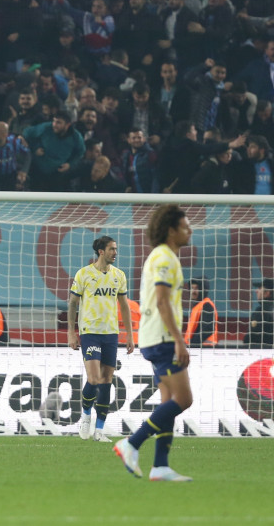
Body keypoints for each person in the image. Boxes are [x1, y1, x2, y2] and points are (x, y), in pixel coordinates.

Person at [114, 204, 193, 482]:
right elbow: (161, 301)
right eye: (185, 226)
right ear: (171, 230)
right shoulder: (164, 258)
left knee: (167, 400)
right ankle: (132, 443)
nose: (190, 230)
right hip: (162, 338)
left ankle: (160, 466)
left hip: (154, 336)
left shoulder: (162, 256)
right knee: (184, 399)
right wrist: (179, 341)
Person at [68, 236, 135, 443]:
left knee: (107, 380)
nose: (115, 252)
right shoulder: (84, 274)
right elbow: (72, 303)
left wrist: (130, 334)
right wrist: (71, 332)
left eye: (116, 249)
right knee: (94, 378)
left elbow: (124, 305)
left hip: (110, 333)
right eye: (112, 249)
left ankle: (99, 430)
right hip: (89, 332)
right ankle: (86, 414)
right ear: (101, 252)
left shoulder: (119, 275)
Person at [184, 278, 218, 348]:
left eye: (196, 288)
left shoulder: (207, 305)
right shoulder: (198, 306)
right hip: (198, 347)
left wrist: (192, 343)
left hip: (205, 349)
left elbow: (208, 329)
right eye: (192, 288)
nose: (193, 291)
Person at [244, 278, 274, 349]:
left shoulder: (261, 311)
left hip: (263, 352)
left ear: (267, 293)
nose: (256, 291)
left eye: (260, 288)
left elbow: (251, 338)